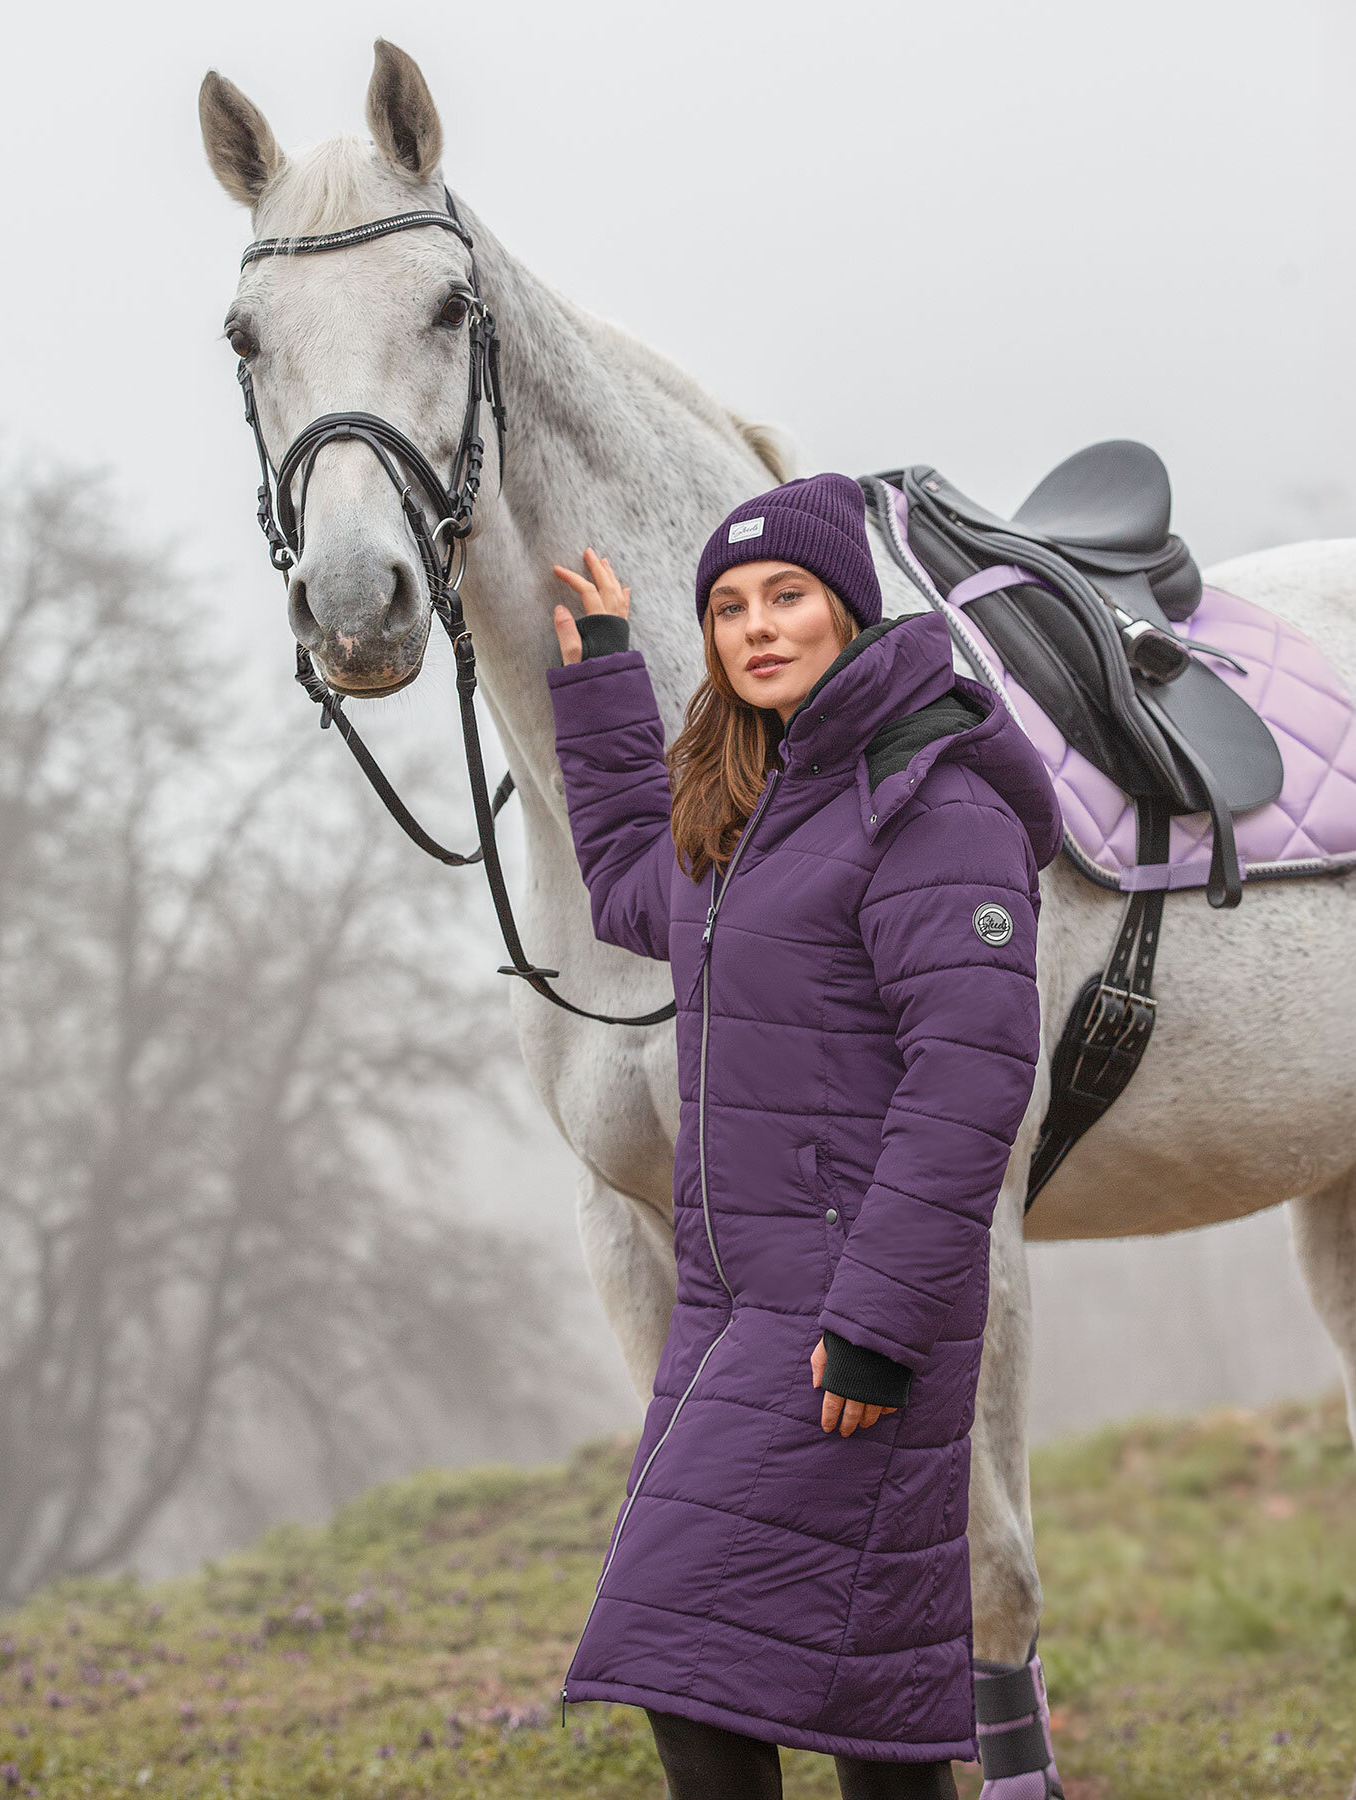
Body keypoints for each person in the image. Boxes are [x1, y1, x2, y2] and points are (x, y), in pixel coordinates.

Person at [545, 473, 1065, 1800]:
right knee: (846, 1697)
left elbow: (968, 1083)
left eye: (786, 596)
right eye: (726, 606)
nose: (755, 627)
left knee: (680, 1648)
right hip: (735, 1307)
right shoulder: (753, 802)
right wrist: (603, 676)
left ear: (848, 610)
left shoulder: (933, 807)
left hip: (845, 1319)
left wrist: (876, 1326)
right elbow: (622, 883)